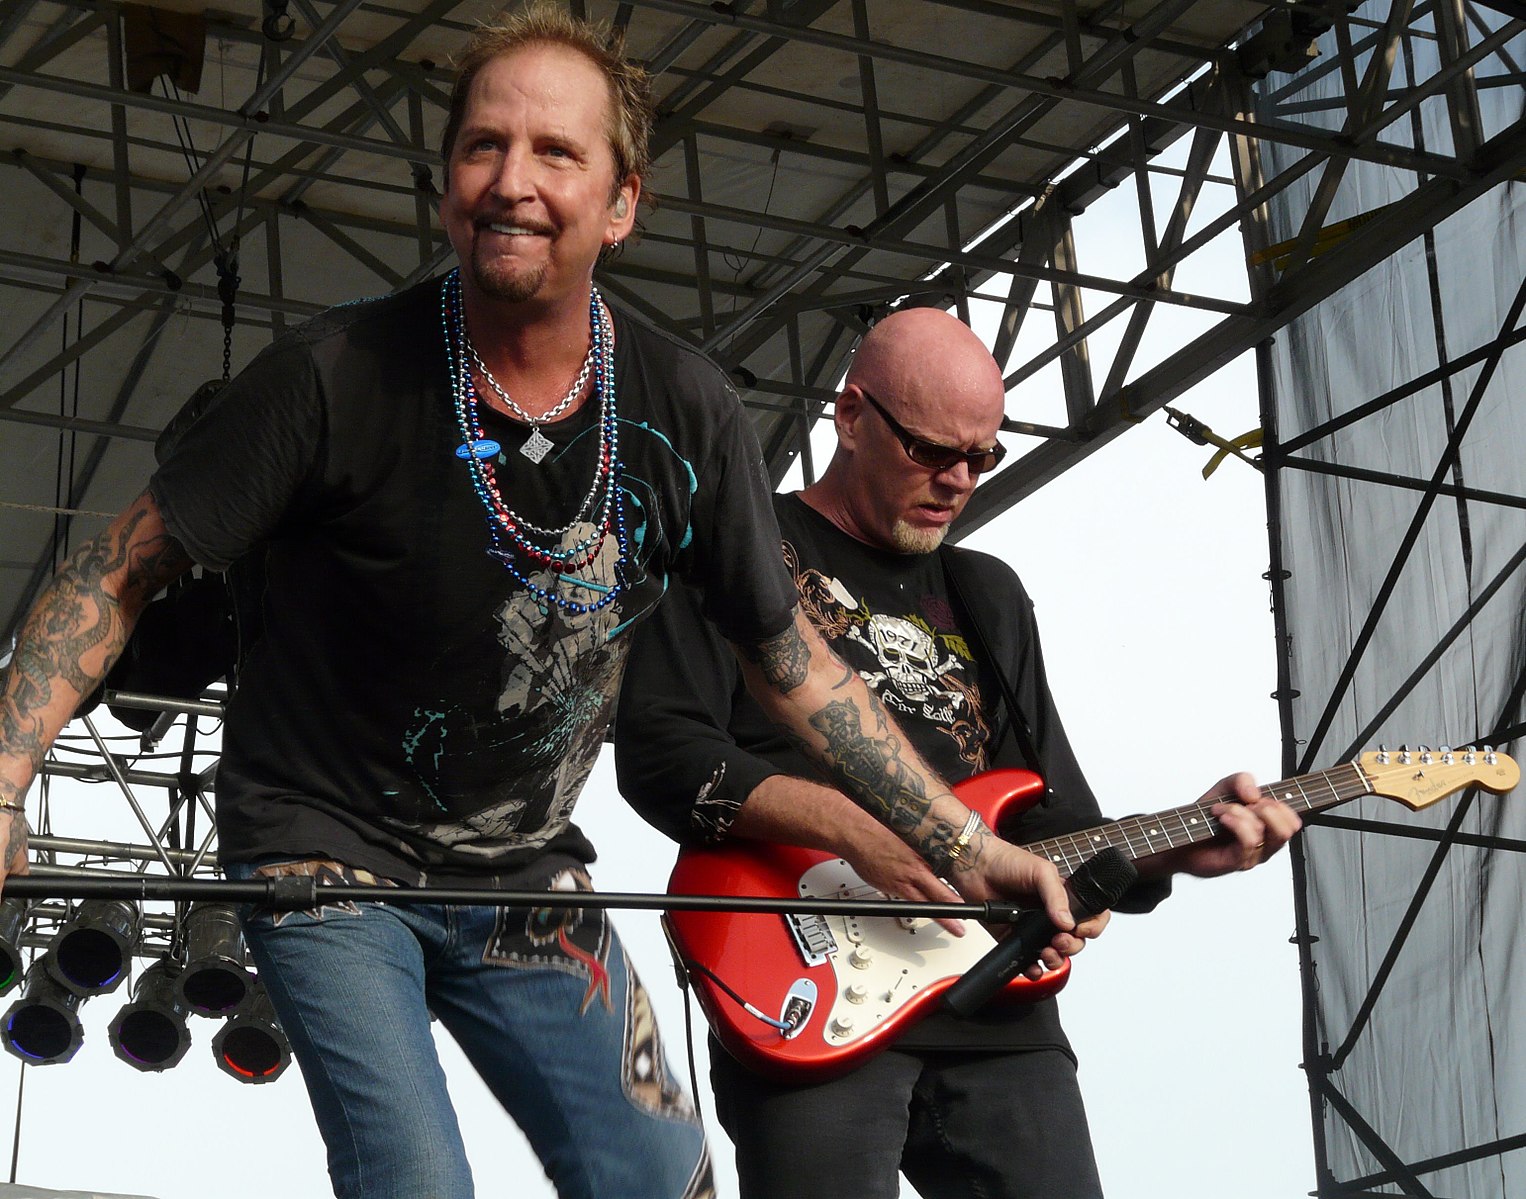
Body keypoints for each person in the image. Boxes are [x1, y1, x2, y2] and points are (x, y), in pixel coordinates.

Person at [0, 9, 1092, 1199]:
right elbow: (117, 568)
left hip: (523, 869)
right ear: (445, 186)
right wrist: (3, 785)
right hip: (323, 856)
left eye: (554, 152)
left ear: (621, 204)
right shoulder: (329, 377)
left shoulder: (685, 408)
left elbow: (790, 661)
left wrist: (963, 844)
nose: (510, 180)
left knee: (668, 1179)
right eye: (483, 145)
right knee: (417, 1182)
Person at [615, 306, 1303, 1199]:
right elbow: (663, 752)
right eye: (931, 451)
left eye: (982, 457)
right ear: (851, 415)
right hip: (803, 978)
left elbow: (1052, 823)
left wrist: (1177, 844)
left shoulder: (987, 594)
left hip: (997, 1003)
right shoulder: (741, 550)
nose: (959, 480)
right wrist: (867, 835)